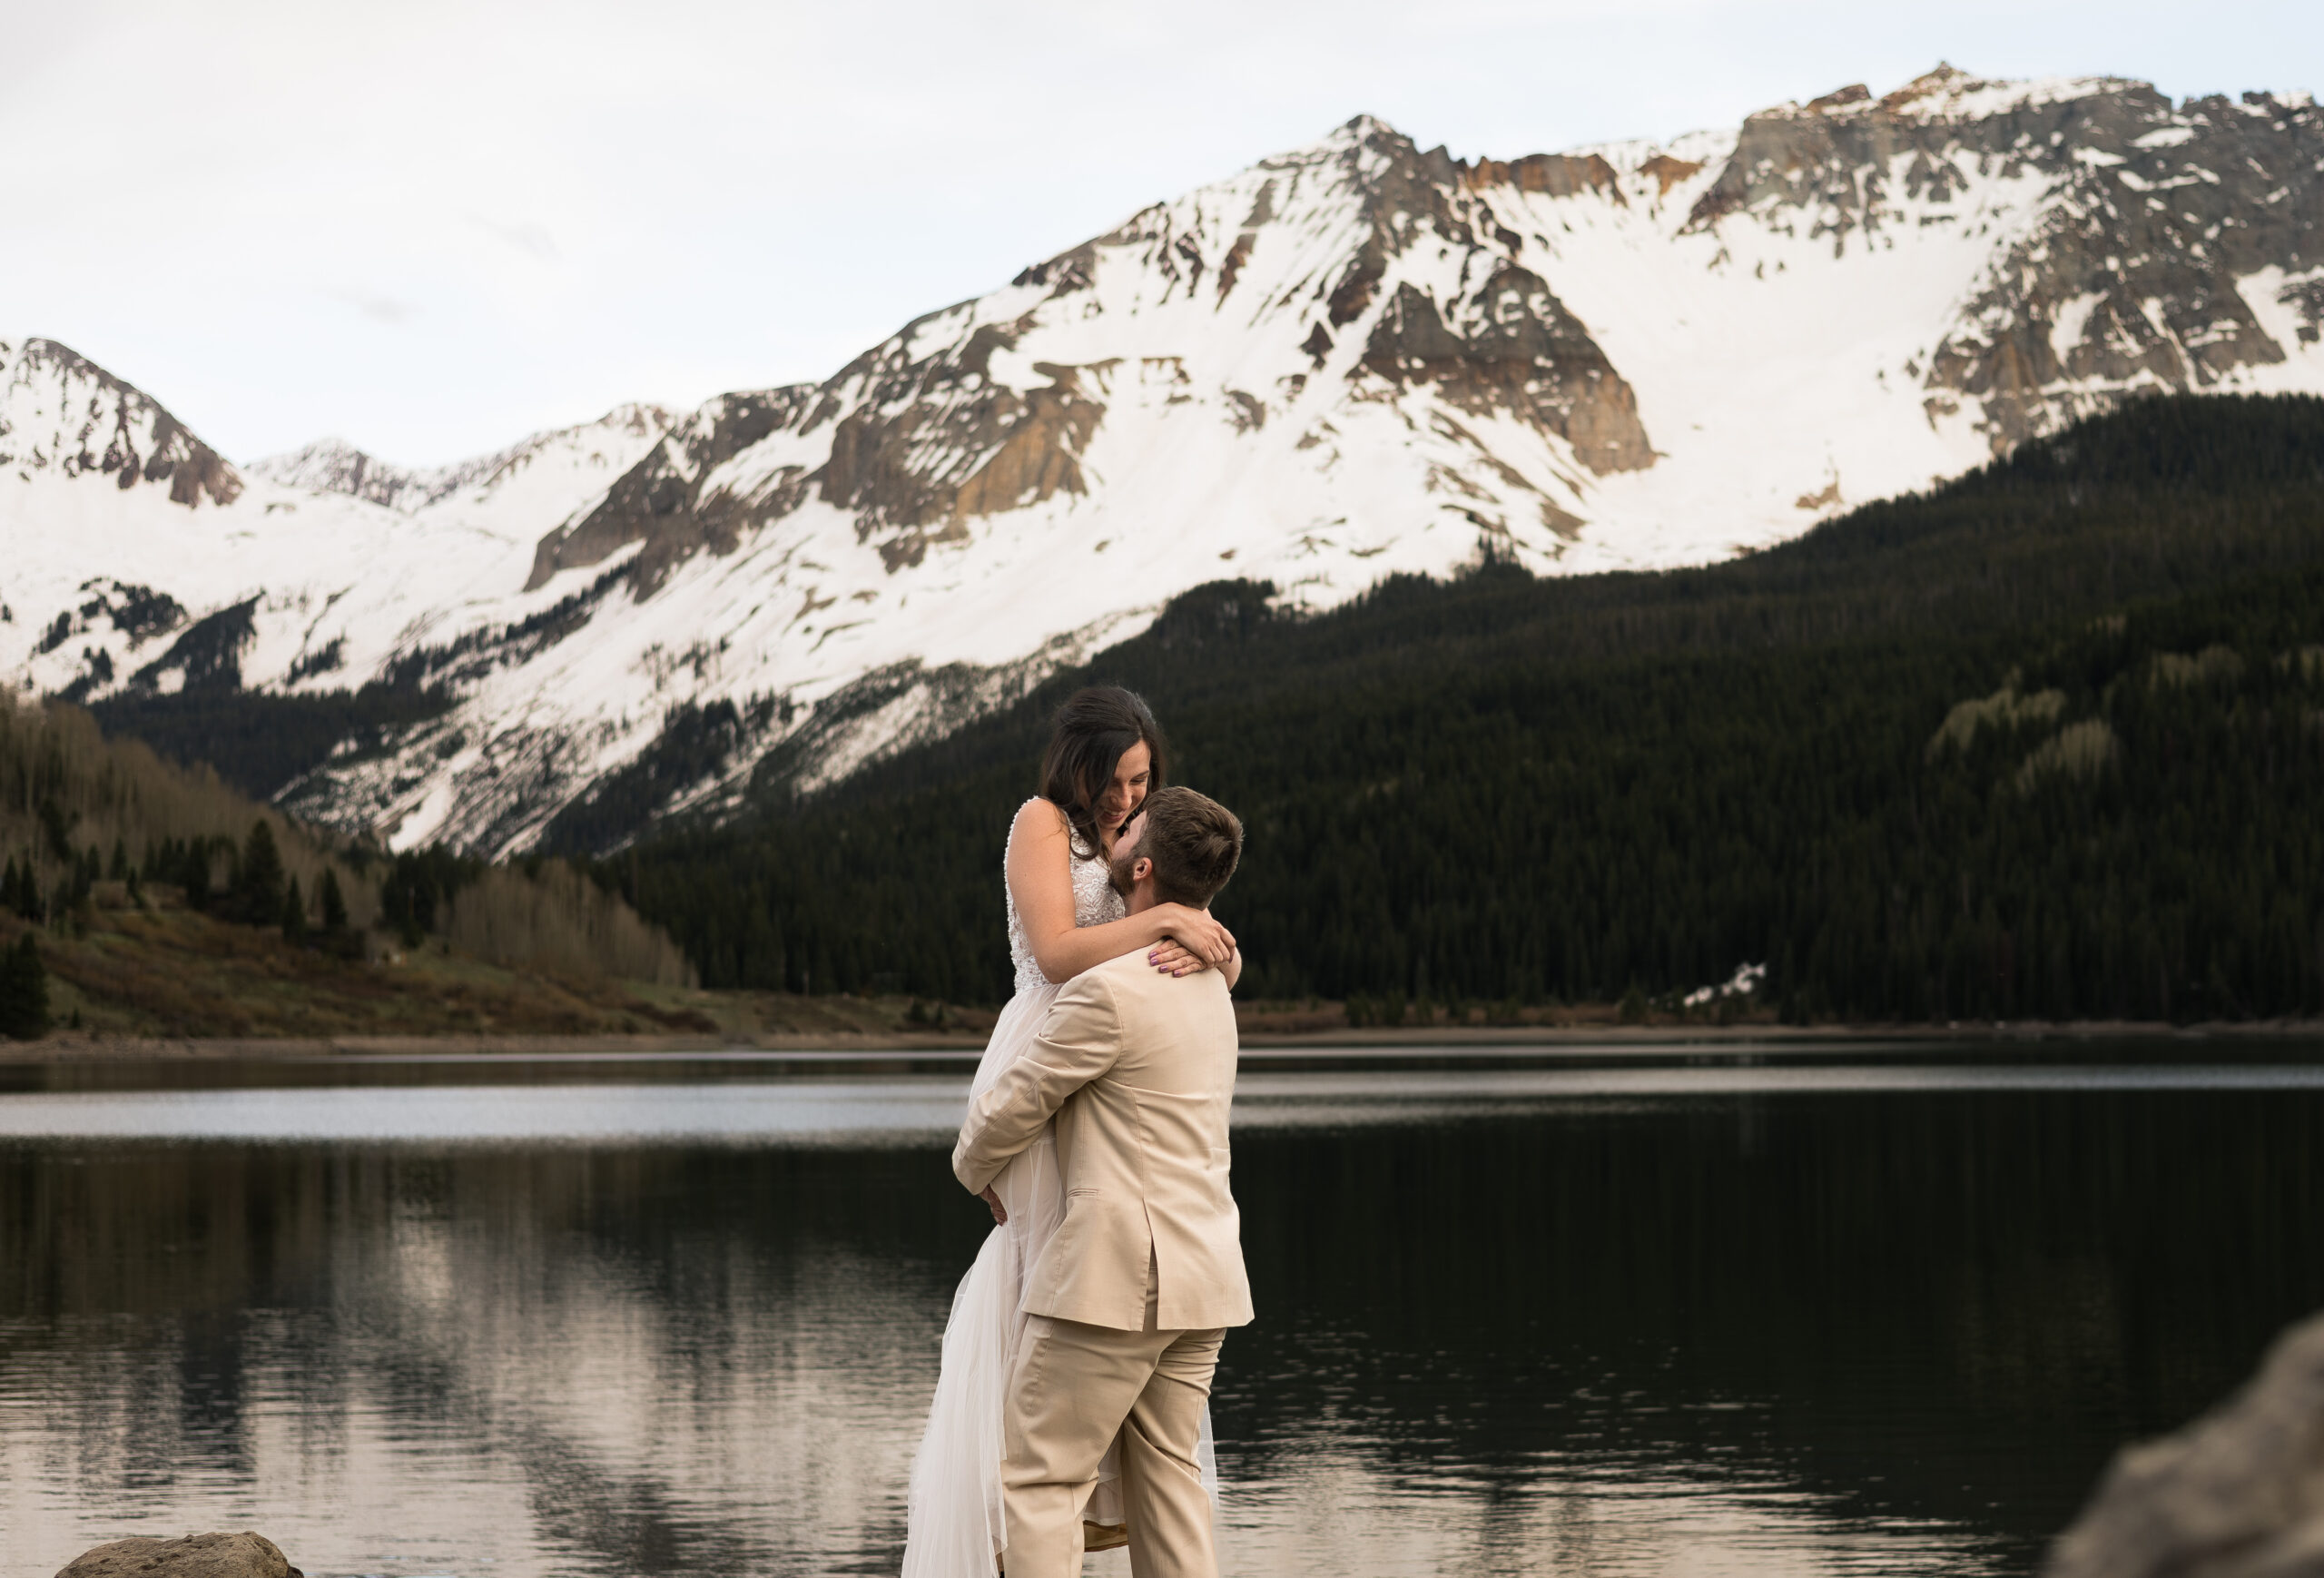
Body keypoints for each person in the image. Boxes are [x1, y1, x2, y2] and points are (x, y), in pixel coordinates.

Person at [902, 689, 1240, 1576]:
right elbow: (1054, 951)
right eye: (1119, 778)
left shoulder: (1137, 887)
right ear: (1080, 765)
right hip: (1063, 1056)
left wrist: (1209, 941)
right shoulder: (1044, 823)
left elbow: (1187, 920)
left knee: (1065, 1435)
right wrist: (1164, 921)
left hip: (1103, 1073)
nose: (1131, 796)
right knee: (1042, 1281)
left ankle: (1065, 1510)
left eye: (1143, 779)